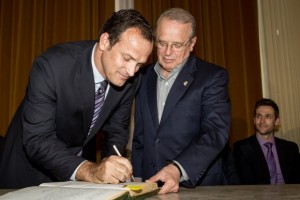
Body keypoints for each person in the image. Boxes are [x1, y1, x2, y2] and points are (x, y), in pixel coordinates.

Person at [0, 9, 154, 189]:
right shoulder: (53, 66)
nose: (131, 71)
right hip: (28, 171)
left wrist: (114, 166)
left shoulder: (131, 79)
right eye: (127, 58)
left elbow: (117, 130)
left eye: (139, 64)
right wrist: (90, 170)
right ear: (105, 41)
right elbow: (38, 140)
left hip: (77, 174)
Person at [131, 8, 232, 194]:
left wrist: (177, 168)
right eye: (162, 43)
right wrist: (137, 178)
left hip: (197, 186)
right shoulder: (143, 77)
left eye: (177, 45)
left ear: (192, 43)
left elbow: (215, 133)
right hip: (149, 185)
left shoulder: (212, 77)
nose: (167, 52)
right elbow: (140, 137)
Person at [233, 98, 300, 184]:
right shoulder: (242, 148)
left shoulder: (290, 148)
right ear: (254, 120)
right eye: (259, 116)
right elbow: (247, 183)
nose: (262, 121)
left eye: (268, 116)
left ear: (277, 121)